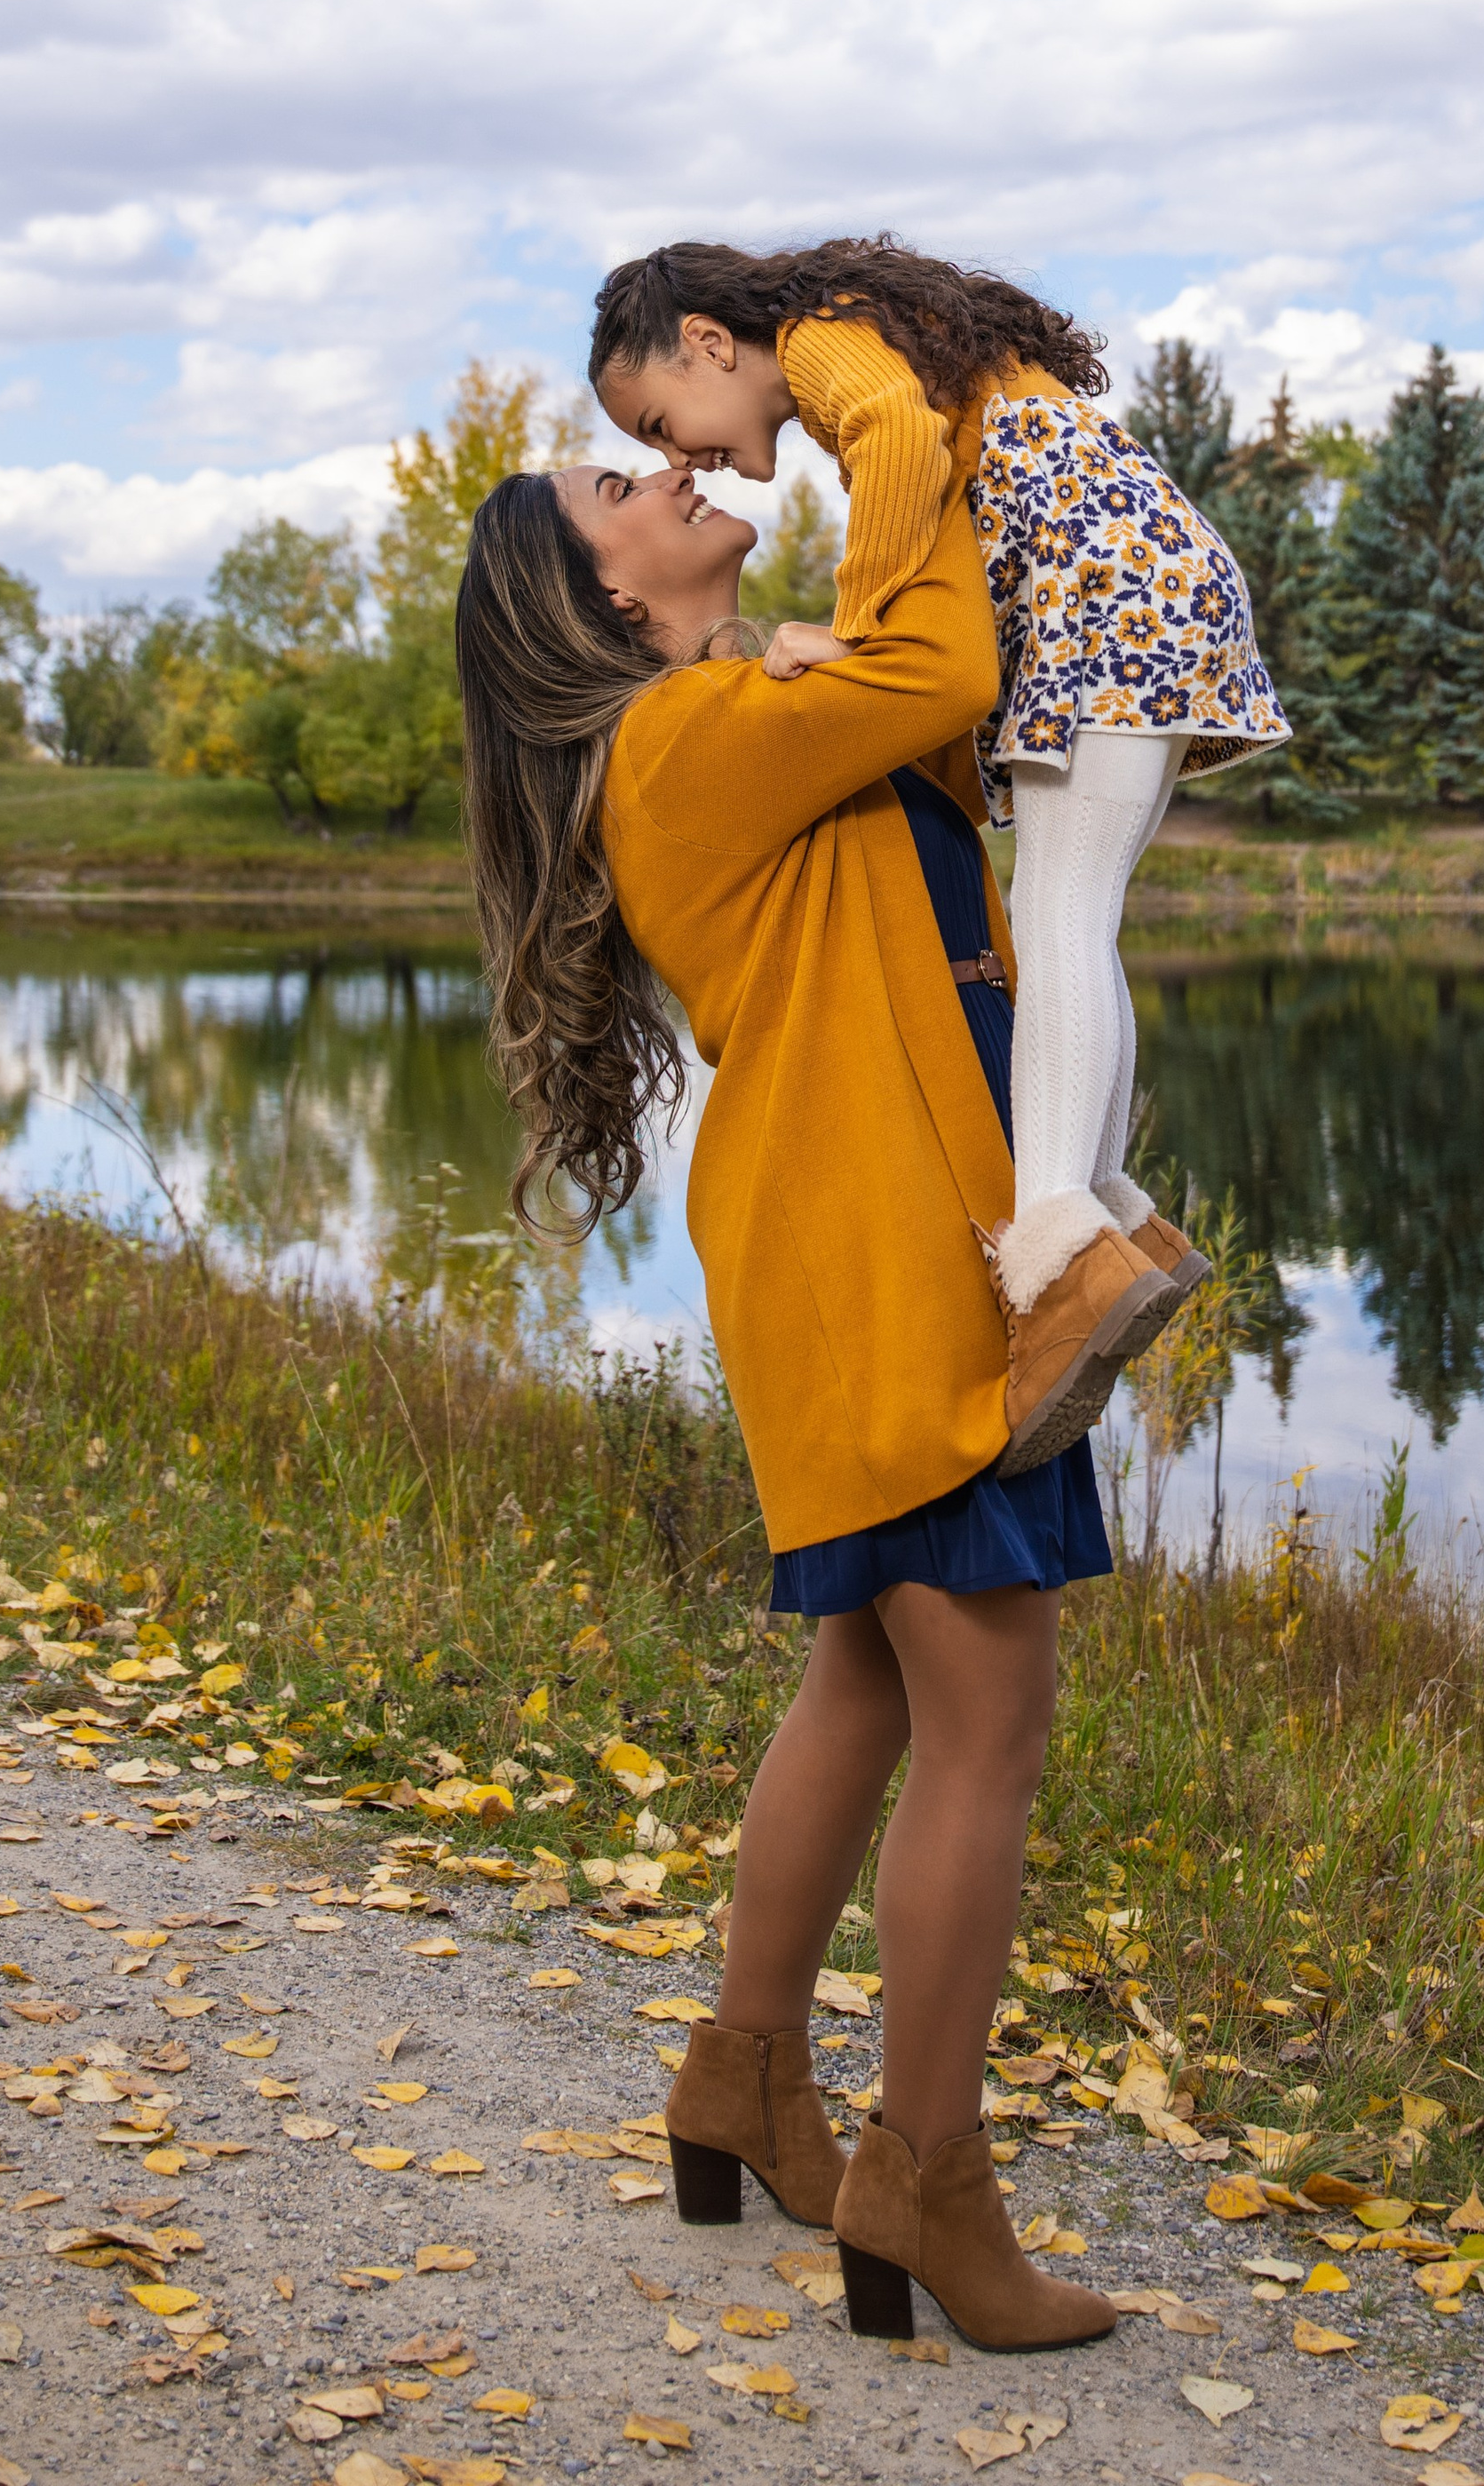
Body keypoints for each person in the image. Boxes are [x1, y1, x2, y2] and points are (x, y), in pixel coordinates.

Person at [455, 444, 1116, 2353]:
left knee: (873, 1674)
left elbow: (916, 741)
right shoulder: (678, 738)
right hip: (876, 1240)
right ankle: (928, 2190)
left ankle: (744, 2080)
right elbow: (949, 676)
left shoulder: (717, 718)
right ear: (594, 591)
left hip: (862, 1223)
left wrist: (798, 651)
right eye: (616, 477)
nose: (668, 465)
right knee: (985, 1711)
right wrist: (876, 410)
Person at [589, 235, 1292, 1463]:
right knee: (1079, 918)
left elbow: (904, 448)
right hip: (1131, 587)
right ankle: (1108, 1212)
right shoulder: (874, 336)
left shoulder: (820, 344)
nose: (674, 455)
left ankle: (1061, 1230)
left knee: (1065, 916)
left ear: (708, 343)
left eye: (660, 418)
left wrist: (857, 633)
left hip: (1107, 594)